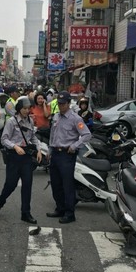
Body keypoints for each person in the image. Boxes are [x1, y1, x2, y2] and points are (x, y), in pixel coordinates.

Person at [0, 96, 41, 224]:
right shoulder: (12, 122)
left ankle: (26, 213)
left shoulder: (30, 121)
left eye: (28, 108)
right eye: (24, 108)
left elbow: (33, 137)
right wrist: (15, 146)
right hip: (13, 157)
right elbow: (4, 139)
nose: (26, 111)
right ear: (19, 108)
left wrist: (39, 149)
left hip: (26, 157)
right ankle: (0, 202)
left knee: (27, 185)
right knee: (10, 184)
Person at [47, 91, 91, 223]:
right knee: (56, 184)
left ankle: (69, 213)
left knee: (67, 185)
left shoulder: (75, 118)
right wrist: (49, 150)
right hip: (55, 153)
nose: (61, 106)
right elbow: (52, 134)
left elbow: (87, 135)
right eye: (59, 104)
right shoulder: (56, 117)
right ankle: (59, 208)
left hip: (67, 155)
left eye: (63, 104)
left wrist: (74, 146)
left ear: (69, 103)